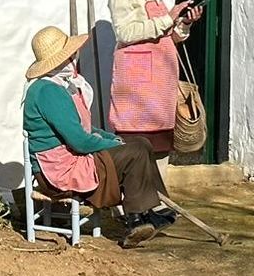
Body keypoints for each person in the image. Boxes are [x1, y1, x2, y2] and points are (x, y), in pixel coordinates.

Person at [23, 24, 172, 247]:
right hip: (60, 170)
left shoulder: (58, 86)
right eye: (71, 55)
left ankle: (148, 212)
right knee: (136, 151)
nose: (74, 58)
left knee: (141, 143)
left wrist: (111, 139)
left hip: (68, 157)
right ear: (61, 60)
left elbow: (85, 129)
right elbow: (80, 142)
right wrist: (112, 144)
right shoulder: (49, 91)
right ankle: (136, 219)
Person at [107, 0, 203, 155]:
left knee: (161, 147)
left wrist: (184, 23)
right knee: (136, 149)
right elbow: (124, 32)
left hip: (161, 81)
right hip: (136, 84)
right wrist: (167, 18)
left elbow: (170, 35)